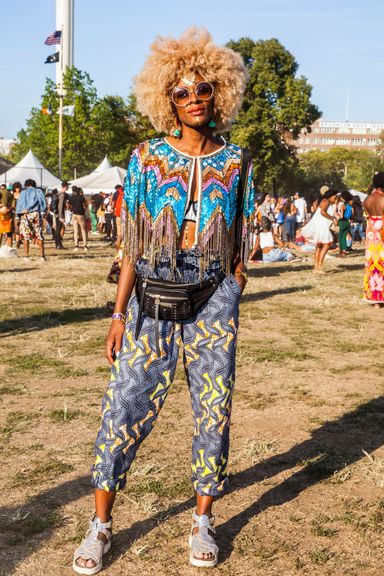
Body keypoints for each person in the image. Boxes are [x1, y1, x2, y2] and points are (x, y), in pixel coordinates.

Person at [73, 28, 254, 574]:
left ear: (219, 93)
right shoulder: (146, 157)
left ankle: (203, 519)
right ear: (166, 100)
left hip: (214, 295)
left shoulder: (237, 159)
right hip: (152, 288)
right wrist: (117, 314)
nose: (194, 98)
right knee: (125, 405)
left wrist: (236, 280)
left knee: (213, 407)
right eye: (182, 92)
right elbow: (130, 244)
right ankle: (101, 524)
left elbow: (242, 227)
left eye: (203, 90)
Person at [301, 189, 338, 274]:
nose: (335, 199)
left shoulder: (324, 201)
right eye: (334, 197)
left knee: (319, 246)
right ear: (330, 196)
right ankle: (319, 267)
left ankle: (316, 267)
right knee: (326, 245)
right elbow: (322, 212)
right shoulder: (326, 201)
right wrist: (333, 218)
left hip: (320, 225)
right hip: (322, 226)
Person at [363, 172, 384, 307]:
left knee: (372, 265)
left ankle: (375, 299)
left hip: (371, 235)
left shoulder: (367, 199)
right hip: (382, 233)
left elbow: (368, 216)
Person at [15, 178, 47, 260]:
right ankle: (42, 256)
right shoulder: (38, 191)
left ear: (26, 185)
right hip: (35, 213)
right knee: (39, 234)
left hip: (24, 214)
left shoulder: (22, 192)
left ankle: (26, 256)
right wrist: (43, 211)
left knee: (26, 236)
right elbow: (43, 202)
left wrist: (17, 215)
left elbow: (19, 204)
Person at [69, 186, 88, 252]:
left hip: (74, 214)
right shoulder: (81, 197)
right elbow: (85, 205)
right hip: (81, 214)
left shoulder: (71, 197)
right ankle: (85, 246)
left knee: (75, 230)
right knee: (83, 230)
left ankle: (76, 246)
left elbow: (69, 206)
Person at [54, 181, 70, 249]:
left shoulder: (59, 193)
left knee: (58, 229)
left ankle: (58, 244)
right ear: (65, 186)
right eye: (68, 186)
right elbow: (60, 206)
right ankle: (58, 244)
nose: (68, 187)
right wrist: (61, 216)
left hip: (57, 213)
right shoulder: (62, 194)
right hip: (59, 214)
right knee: (58, 229)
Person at [0, 183, 14, 248]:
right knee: (9, 233)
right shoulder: (10, 194)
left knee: (0, 233)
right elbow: (13, 206)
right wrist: (9, 209)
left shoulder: (1, 193)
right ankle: (9, 248)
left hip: (0, 214)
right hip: (8, 214)